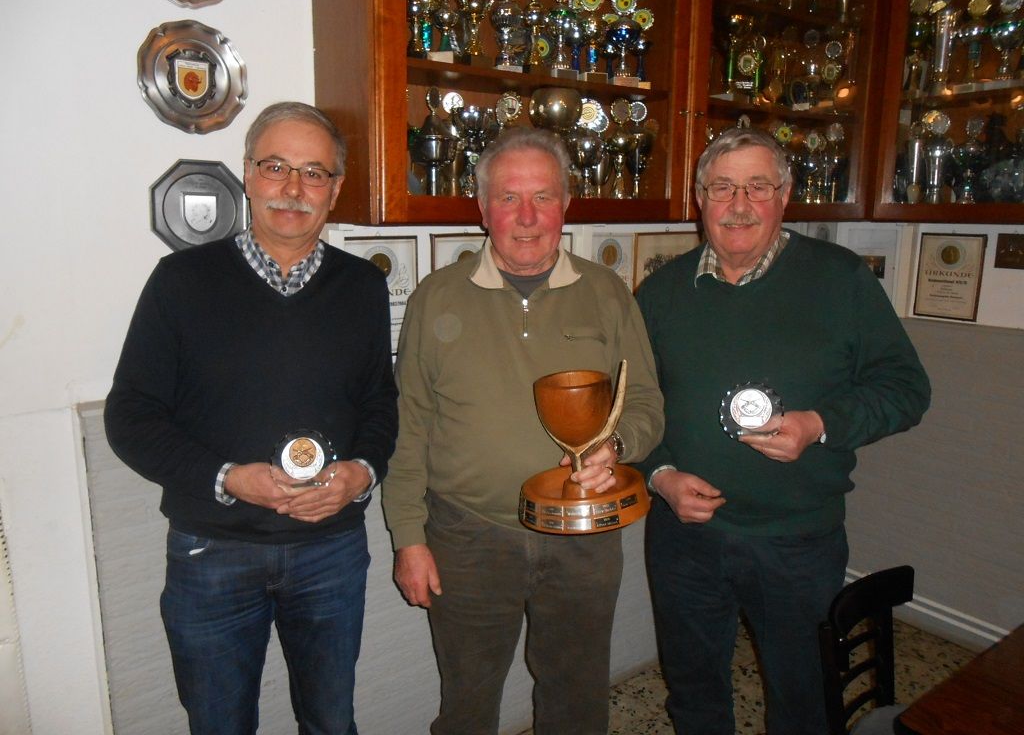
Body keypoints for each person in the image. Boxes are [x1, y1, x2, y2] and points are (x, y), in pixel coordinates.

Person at [105, 101, 398, 735]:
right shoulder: (180, 282)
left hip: (332, 551)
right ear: (247, 174)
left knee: (330, 721)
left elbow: (380, 403)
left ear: (335, 189)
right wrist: (228, 477)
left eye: (314, 172)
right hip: (213, 552)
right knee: (218, 725)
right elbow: (130, 416)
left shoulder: (362, 288)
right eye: (275, 166)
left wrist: (362, 473)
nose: (293, 188)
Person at [635, 127, 931, 735]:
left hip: (796, 543)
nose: (738, 204)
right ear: (699, 198)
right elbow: (636, 405)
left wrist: (821, 423)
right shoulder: (662, 291)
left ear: (785, 195)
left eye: (758, 186)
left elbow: (906, 389)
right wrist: (659, 474)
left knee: (803, 705)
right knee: (692, 695)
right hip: (683, 540)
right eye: (722, 187)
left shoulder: (841, 280)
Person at [382, 127, 664, 735]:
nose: (528, 217)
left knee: (578, 698)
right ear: (482, 209)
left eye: (544, 197)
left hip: (584, 536)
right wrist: (409, 537)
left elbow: (644, 400)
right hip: (467, 536)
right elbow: (409, 430)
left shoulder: (607, 292)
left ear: (567, 203)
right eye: (509, 198)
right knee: (467, 704)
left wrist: (618, 447)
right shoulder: (435, 300)